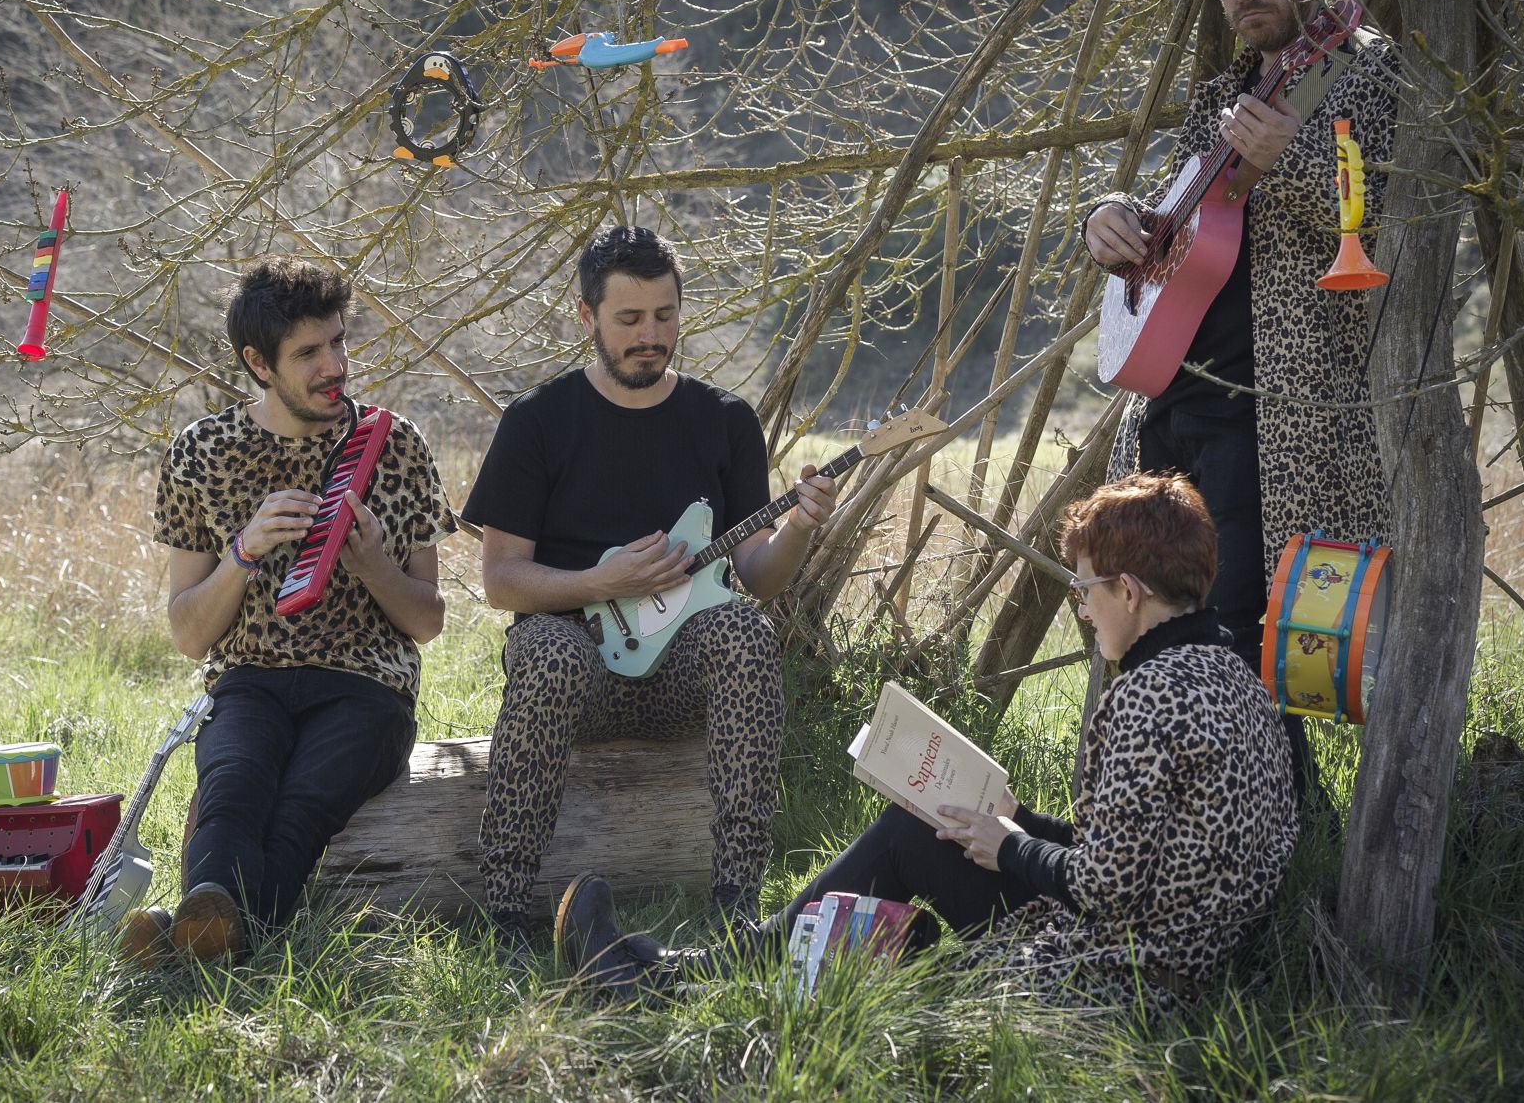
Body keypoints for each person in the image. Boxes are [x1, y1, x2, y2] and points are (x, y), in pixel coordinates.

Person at [558, 473, 1297, 1004]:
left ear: (1129, 591)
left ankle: (681, 975)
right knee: (936, 834)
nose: (1080, 608)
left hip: (1122, 974)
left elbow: (1108, 886)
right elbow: (1147, 859)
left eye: (1084, 589)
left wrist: (1007, 845)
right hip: (1187, 955)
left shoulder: (1148, 693)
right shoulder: (1233, 676)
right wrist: (1022, 825)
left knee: (913, 828)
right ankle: (736, 963)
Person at [1081, 0, 1396, 804]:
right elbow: (1179, 224)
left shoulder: (1365, 67)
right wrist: (1111, 219)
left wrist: (1282, 158)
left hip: (1272, 414)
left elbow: (1374, 211)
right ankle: (1144, 824)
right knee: (1140, 628)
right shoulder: (1223, 87)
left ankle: (1268, 836)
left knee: (1240, 636)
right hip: (1167, 402)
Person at [460, 225, 841, 952]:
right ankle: (506, 910)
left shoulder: (724, 420)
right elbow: (500, 580)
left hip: (677, 679)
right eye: (629, 319)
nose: (650, 334)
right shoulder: (537, 421)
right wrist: (599, 581)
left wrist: (799, 526)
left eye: (664, 315)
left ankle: (737, 901)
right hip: (577, 665)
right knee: (544, 651)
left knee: (743, 631)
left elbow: (758, 576)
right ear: (586, 318)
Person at [140, 254, 454, 962]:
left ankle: (186, 939)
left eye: (338, 341)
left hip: (366, 684)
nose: (333, 366)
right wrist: (243, 553)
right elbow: (190, 634)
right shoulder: (203, 453)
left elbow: (428, 621)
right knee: (232, 785)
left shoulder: (394, 445)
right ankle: (215, 938)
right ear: (258, 362)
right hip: (249, 676)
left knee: (303, 803)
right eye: (308, 352)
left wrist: (372, 564)